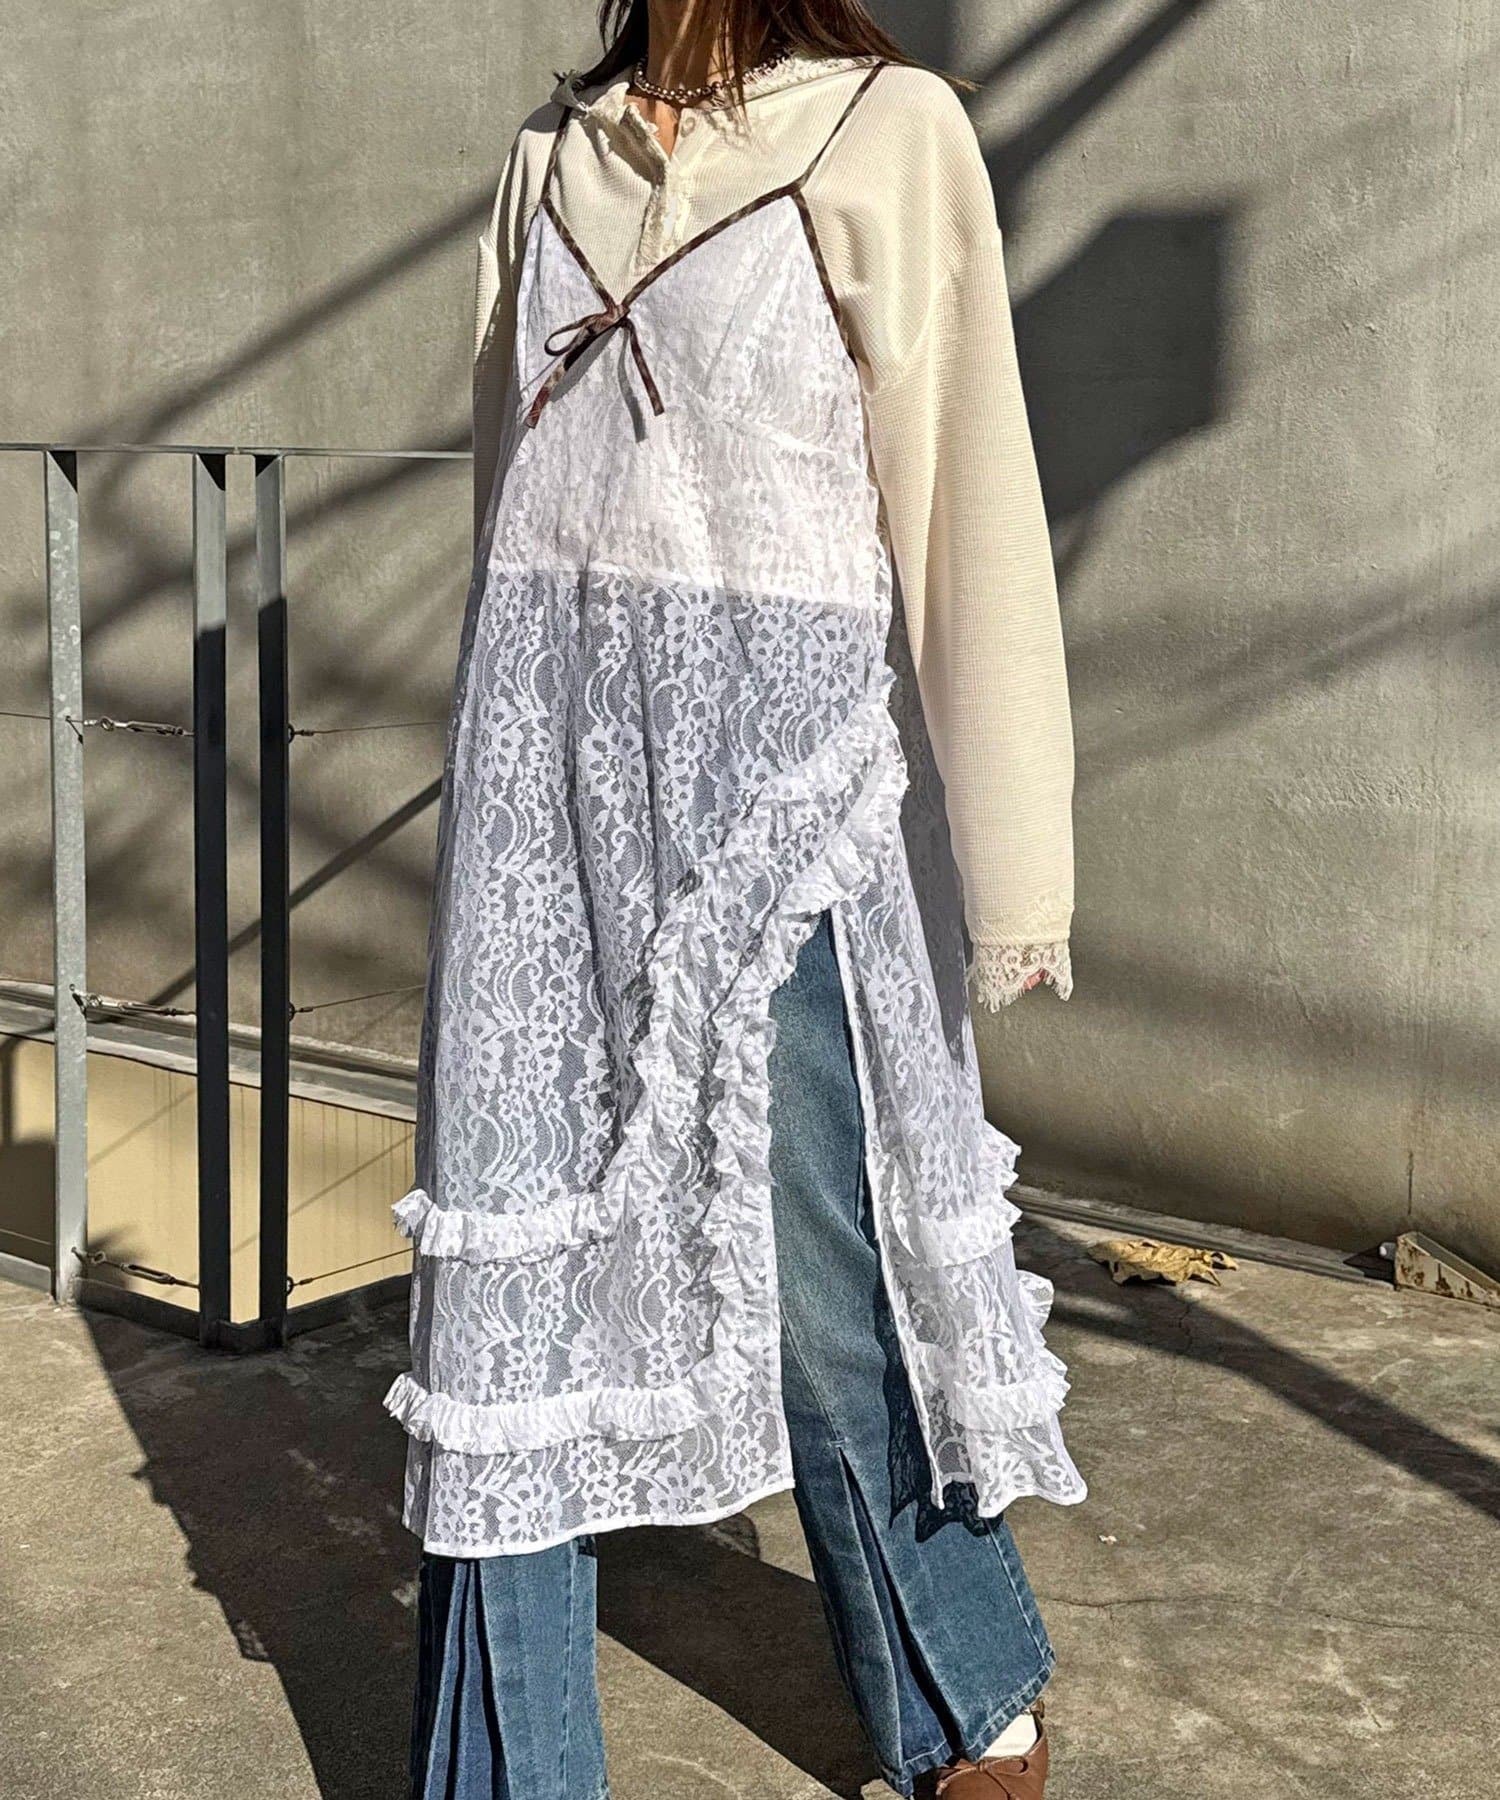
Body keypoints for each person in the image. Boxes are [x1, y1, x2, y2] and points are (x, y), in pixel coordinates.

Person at [386, 3, 1086, 1794]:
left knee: (818, 1251)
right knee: (510, 1271)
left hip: (778, 804)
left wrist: (1016, 862)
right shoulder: (547, 161)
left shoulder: (886, 132)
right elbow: (510, 499)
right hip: (548, 789)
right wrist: (510, 746)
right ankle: (507, 1767)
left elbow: (968, 506)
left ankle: (956, 1686)